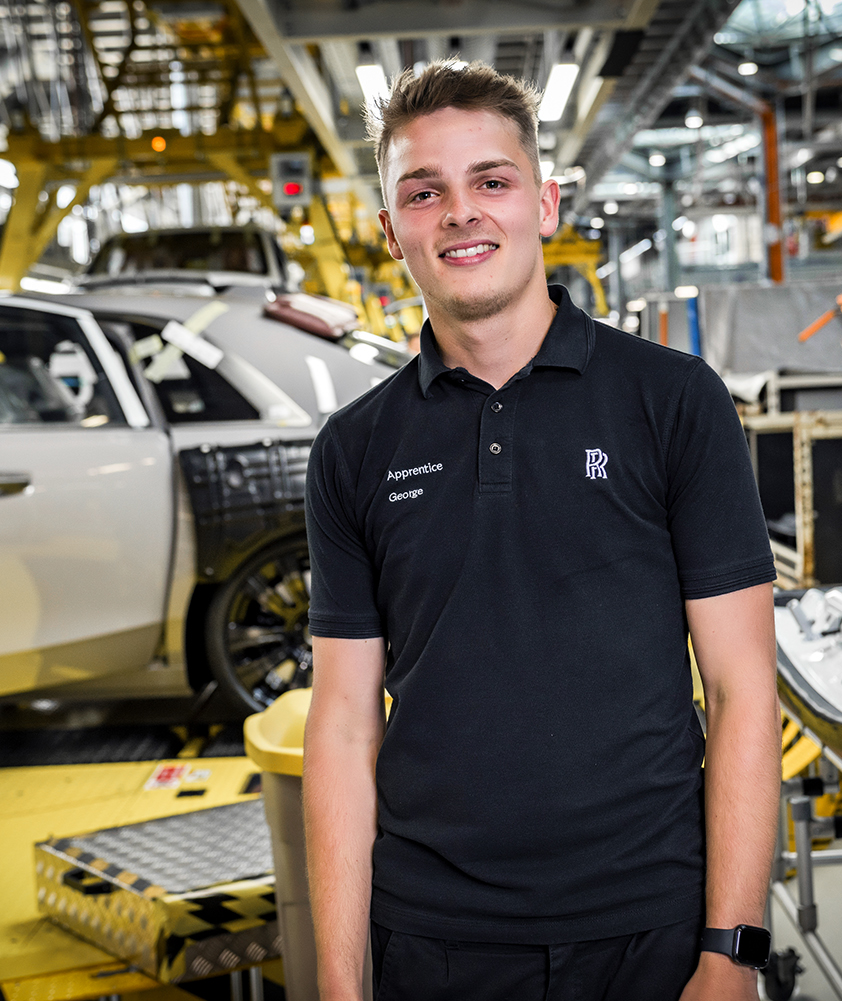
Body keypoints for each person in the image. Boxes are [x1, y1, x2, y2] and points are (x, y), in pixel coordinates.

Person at [303, 59, 782, 1001]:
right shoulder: (353, 450)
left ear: (546, 204)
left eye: (491, 180)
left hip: (652, 926)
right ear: (391, 233)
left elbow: (740, 690)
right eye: (424, 191)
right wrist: (339, 983)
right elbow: (344, 725)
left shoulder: (674, 403)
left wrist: (730, 952)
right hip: (434, 939)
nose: (461, 212)